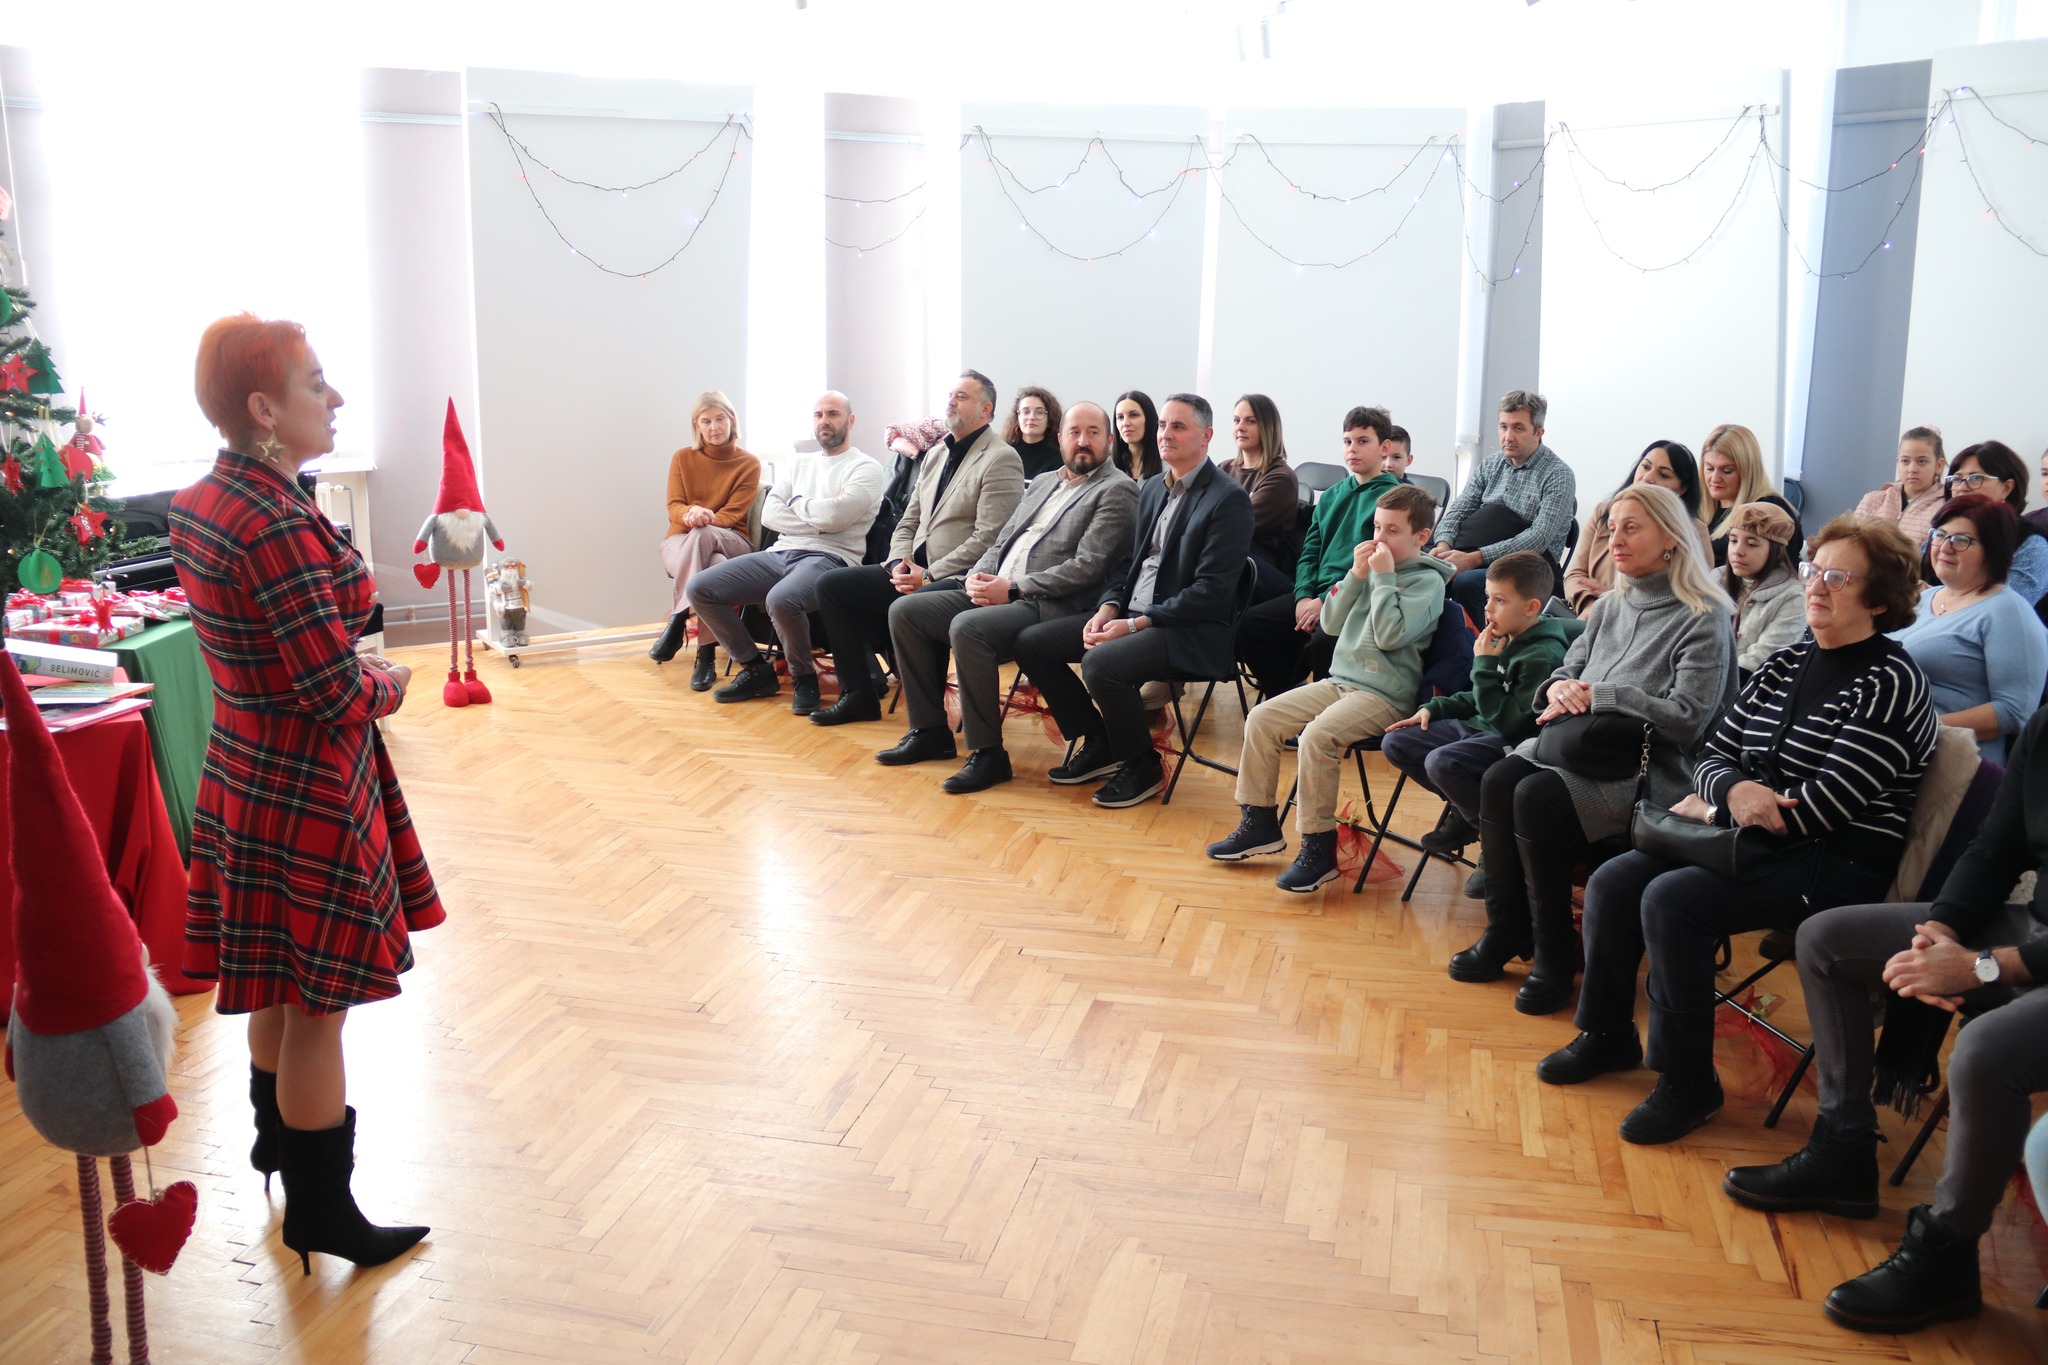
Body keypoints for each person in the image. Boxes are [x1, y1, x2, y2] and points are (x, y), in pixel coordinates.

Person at [169, 314, 438, 1270]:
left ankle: (276, 1149)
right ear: (263, 408)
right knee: (320, 1005)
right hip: (305, 781)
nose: (337, 398)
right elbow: (330, 689)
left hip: (245, 765)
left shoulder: (206, 498)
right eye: (316, 383)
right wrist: (390, 683)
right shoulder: (274, 521)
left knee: (282, 983)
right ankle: (322, 1210)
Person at [1539, 515, 1937, 1146]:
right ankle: (1608, 1034)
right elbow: (1712, 752)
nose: (1816, 586)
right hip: (1749, 841)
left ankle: (1688, 1081)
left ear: (1881, 599)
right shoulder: (1788, 661)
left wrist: (1715, 807)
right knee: (1615, 881)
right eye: (1813, 570)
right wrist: (1731, 793)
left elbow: (1822, 809)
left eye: (1838, 578)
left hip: (1832, 860)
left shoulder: (1890, 681)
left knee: (1673, 901)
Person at [1721, 701, 2048, 1334]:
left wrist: (1981, 967)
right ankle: (1844, 1149)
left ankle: (1948, 1252)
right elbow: (1996, 847)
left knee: (1987, 1050)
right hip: (2029, 930)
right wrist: (1939, 934)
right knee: (1826, 940)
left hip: (2027, 953)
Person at [1448, 484, 1735, 1015]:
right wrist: (1558, 688)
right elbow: (1567, 670)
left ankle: (1555, 955)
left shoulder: (1704, 614)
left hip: (1648, 771)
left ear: (1670, 538)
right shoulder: (1611, 605)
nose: (1615, 540)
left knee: (1534, 797)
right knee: (1498, 779)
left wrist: (1605, 695)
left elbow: (1689, 719)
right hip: (1577, 747)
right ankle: (1506, 929)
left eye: (1632, 528)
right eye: (1612, 528)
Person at [875, 401, 1139, 792]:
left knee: (968, 628)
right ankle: (929, 730)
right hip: (1000, 589)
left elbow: (1089, 566)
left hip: (1051, 603)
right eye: (1074, 433)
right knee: (905, 611)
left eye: (1093, 433)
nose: (1082, 441)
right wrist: (976, 577)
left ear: (1110, 440)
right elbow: (1000, 541)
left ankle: (988, 755)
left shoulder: (1118, 489)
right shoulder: (1045, 482)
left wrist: (1014, 588)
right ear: (1061, 439)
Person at [1009, 393, 1255, 809]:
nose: (1165, 434)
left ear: (1206, 436)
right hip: (1131, 614)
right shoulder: (1155, 487)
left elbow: (1211, 592)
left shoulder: (1227, 499)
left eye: (1178, 426)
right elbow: (1129, 563)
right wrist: (1108, 607)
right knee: (1032, 643)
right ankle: (1101, 740)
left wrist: (1135, 624)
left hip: (1188, 629)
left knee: (1101, 663)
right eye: (1163, 425)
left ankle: (1143, 764)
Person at [1208, 485, 1449, 891]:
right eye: (1376, 527)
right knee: (1263, 717)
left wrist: (1383, 577)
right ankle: (1260, 822)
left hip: (1385, 695)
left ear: (1421, 537)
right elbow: (1330, 624)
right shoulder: (1369, 569)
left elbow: (1389, 635)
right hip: (1341, 680)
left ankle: (1319, 848)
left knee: (1317, 737)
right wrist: (1355, 575)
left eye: (1392, 530)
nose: (1379, 538)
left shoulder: (1428, 583)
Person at [809, 372, 1025, 724]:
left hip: (957, 578)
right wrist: (898, 561)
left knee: (914, 605)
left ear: (986, 410)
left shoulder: (1001, 458)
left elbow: (989, 538)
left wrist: (928, 575)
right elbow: (908, 518)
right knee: (832, 587)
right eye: (950, 394)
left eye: (962, 397)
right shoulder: (936, 453)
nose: (951, 401)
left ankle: (929, 726)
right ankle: (858, 694)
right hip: (913, 569)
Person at [686, 392, 886, 711]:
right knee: (700, 588)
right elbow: (770, 514)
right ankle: (756, 669)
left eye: (832, 414)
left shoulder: (866, 468)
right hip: (781, 552)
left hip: (831, 558)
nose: (824, 421)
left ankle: (803, 677)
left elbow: (836, 518)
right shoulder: (800, 463)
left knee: (781, 600)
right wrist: (817, 520)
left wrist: (797, 503)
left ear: (850, 421)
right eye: (818, 415)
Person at [1381, 550, 1573, 860]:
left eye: (1500, 600)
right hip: (1479, 726)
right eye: (1487, 598)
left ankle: (1496, 836)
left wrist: (1484, 664)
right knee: (1395, 743)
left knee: (1442, 763)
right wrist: (1434, 708)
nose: (1487, 608)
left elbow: (1510, 722)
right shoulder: (1507, 634)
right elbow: (1480, 697)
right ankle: (1471, 810)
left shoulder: (1542, 656)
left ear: (1531, 607)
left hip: (1509, 740)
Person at [1235, 405, 1403, 698]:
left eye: (1363, 441)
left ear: (1384, 447)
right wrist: (1303, 596)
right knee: (1247, 626)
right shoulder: (1332, 495)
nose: (1353, 448)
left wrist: (1325, 601)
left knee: (1323, 643)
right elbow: (1309, 553)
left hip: (1355, 597)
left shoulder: (1392, 498)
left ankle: (1321, 711)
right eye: (1347, 441)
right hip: (1315, 595)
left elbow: (1374, 566)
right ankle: (1286, 697)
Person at [1889, 494, 2048, 762]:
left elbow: (2014, 711)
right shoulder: (1924, 598)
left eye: (1961, 540)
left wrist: (1917, 727)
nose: (1945, 547)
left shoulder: (2008, 610)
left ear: (1993, 550)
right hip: (1893, 748)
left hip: (1950, 762)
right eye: (1940, 535)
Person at [1431, 390, 1578, 625]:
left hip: (1528, 568)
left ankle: (1481, 645)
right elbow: (1457, 513)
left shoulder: (1558, 475)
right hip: (1473, 553)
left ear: (1538, 433)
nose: (1508, 436)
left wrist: (1474, 559)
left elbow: (1538, 539)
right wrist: (1443, 548)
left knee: (1467, 582)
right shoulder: (1489, 465)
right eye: (1503, 427)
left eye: (1518, 428)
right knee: (1423, 570)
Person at [648, 391, 761, 681]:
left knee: (704, 533)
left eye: (720, 419)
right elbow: (674, 506)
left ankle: (677, 621)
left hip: (731, 538)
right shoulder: (682, 458)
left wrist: (704, 518)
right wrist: (690, 514)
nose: (714, 427)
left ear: (731, 420)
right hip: (680, 540)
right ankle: (706, 655)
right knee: (714, 567)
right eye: (706, 421)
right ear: (696, 425)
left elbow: (733, 514)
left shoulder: (748, 463)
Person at [1561, 440, 1711, 618]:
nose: (1648, 478)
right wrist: (1590, 605)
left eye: (1664, 475)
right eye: (1645, 467)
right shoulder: (1605, 512)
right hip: (1588, 614)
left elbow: (1693, 591)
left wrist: (1611, 599)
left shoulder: (1692, 529)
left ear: (1682, 489)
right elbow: (1575, 573)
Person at [1943, 439, 2048, 603]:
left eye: (1975, 478)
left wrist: (1934, 597)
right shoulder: (1941, 531)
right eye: (1956, 479)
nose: (1962, 487)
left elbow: (2006, 605)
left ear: (2006, 488)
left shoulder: (2031, 542)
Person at [1227, 393, 1300, 604]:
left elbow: (1236, 525)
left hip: (1261, 569)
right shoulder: (1224, 469)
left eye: (1250, 421)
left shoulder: (1281, 478)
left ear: (1268, 427)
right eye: (1236, 420)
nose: (1240, 427)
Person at [1721, 500, 1806, 679]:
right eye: (1733, 540)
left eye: (1751, 544)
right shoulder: (1715, 579)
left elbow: (1761, 661)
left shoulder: (1792, 596)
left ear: (1776, 550)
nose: (1738, 551)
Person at [1700, 422, 1802, 565]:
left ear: (1748, 471)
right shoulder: (1701, 508)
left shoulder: (1768, 509)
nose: (1715, 478)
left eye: (1727, 471)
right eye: (1710, 469)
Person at [1853, 426, 1947, 558]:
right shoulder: (1873, 500)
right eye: (1905, 461)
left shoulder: (1946, 507)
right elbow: (1851, 547)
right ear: (1898, 462)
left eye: (1922, 461)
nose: (1912, 469)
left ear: (1939, 465)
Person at [1004, 385, 1064, 481]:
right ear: (1017, 418)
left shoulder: (1060, 458)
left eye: (1039, 412)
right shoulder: (1004, 452)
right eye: (1026, 412)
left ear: (1049, 420)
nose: (1031, 417)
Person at [1109, 389, 1163, 482]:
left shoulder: (1168, 465)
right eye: (1120, 417)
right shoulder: (1107, 465)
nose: (1125, 423)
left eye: (1133, 415)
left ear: (1149, 419)